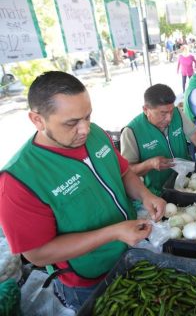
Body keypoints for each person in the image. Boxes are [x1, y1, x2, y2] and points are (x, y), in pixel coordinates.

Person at [0, 71, 165, 311]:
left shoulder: (96, 134)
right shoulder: (19, 179)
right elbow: (37, 253)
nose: (85, 129)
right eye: (71, 123)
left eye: (88, 116)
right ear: (37, 120)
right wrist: (113, 233)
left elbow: (123, 172)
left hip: (132, 253)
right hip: (87, 281)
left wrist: (145, 194)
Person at [121, 84, 196, 196]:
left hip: (188, 183)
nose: (169, 118)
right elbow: (127, 172)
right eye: (163, 113)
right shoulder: (131, 132)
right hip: (157, 193)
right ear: (145, 109)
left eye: (171, 111)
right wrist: (149, 164)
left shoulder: (177, 114)